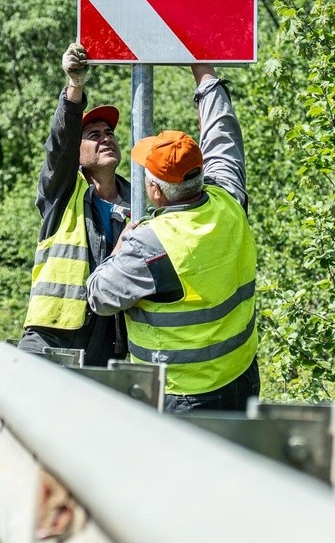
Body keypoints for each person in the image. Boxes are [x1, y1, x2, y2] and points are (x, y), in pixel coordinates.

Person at [86, 63, 259, 412]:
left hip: (182, 396)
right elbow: (222, 135)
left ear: (156, 192)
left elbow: (99, 296)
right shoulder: (228, 199)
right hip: (242, 377)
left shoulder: (149, 244)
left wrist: (118, 249)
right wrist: (204, 71)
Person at [18, 42, 131, 367]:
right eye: (93, 134)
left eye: (109, 132)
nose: (105, 137)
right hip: (51, 339)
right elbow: (60, 146)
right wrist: (75, 87)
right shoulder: (62, 191)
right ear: (78, 152)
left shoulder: (137, 201)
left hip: (109, 343)